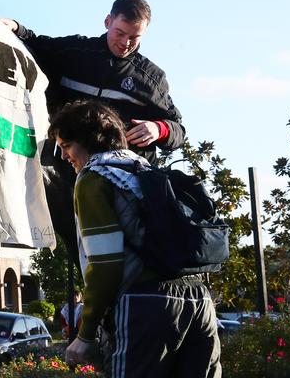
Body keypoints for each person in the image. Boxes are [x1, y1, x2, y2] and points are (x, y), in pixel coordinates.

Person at [2, 0, 185, 256]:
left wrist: (158, 129)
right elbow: (37, 43)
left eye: (135, 38)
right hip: (72, 174)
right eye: (119, 33)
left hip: (125, 185)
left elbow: (177, 129)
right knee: (85, 249)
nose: (125, 43)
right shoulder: (76, 52)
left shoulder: (150, 79)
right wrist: (15, 28)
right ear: (107, 21)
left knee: (124, 252)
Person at [53, 100, 220, 377]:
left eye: (66, 145)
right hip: (198, 299)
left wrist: (86, 335)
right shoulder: (147, 171)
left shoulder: (94, 178)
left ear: (86, 139)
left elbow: (105, 266)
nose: (63, 155)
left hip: (143, 304)